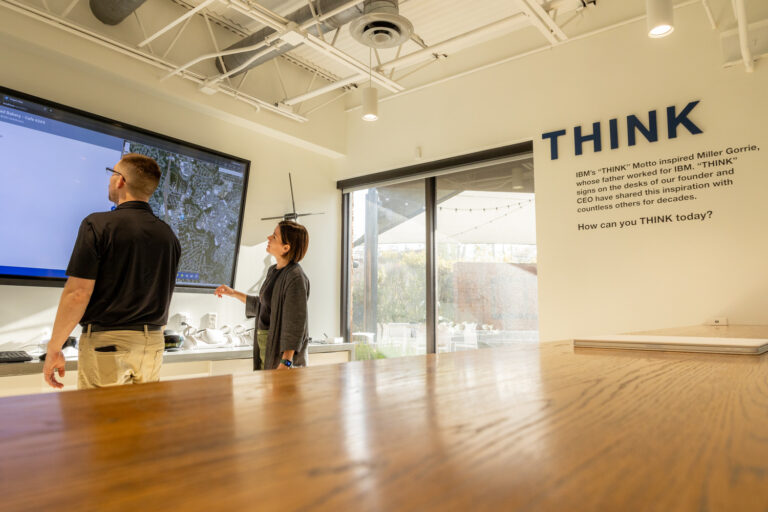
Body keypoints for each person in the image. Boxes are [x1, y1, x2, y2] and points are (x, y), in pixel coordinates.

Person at [43, 154, 181, 389]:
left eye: (112, 173)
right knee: (143, 413)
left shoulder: (97, 225)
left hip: (108, 344)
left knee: (100, 414)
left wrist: (54, 348)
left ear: (120, 180)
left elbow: (77, 294)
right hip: (153, 345)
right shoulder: (168, 235)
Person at [215, 221, 310, 371]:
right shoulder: (273, 271)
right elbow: (264, 306)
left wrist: (286, 362)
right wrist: (233, 293)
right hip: (266, 345)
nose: (268, 238)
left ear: (286, 248)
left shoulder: (295, 277)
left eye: (274, 236)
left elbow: (295, 323)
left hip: (281, 355)